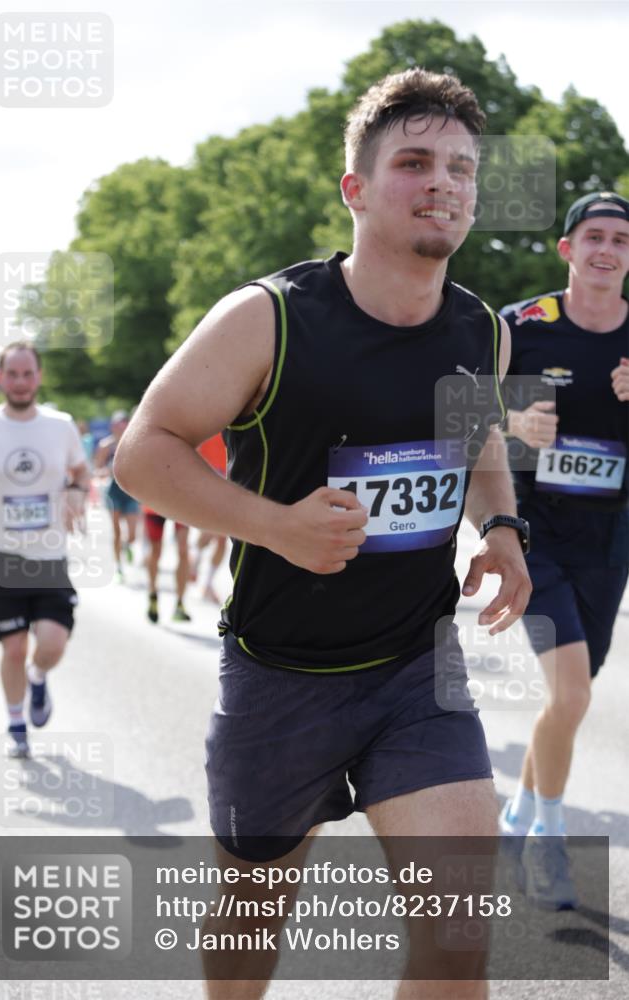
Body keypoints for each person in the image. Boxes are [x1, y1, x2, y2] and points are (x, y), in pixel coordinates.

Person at [115, 68, 532, 999]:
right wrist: (278, 527)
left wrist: (498, 524)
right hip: (280, 675)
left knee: (459, 933)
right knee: (253, 918)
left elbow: (479, 435)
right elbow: (143, 453)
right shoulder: (268, 318)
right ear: (354, 188)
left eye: (462, 169)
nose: (445, 185)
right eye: (415, 162)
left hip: (416, 674)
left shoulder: (479, 330)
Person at [499, 191, 629, 908]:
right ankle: (546, 841)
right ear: (568, 249)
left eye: (620, 240)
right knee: (571, 691)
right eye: (594, 237)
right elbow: (451, 409)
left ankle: (517, 811)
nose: (607, 250)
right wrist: (515, 423)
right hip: (532, 533)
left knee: (567, 702)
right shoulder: (521, 325)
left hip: (608, 540)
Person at [0, 341, 89, 757]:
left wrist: (74, 491)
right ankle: (16, 723)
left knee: (52, 644)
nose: (19, 382)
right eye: (11, 374)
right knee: (12, 646)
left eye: (27, 374)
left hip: (49, 553)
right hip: (2, 550)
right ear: (0, 377)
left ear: (38, 377)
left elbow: (80, 471)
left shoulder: (60, 425)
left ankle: (38, 677)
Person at [95, 410, 140, 582]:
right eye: (117, 426)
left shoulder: (134, 443)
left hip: (130, 490)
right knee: (116, 531)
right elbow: (97, 468)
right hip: (113, 490)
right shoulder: (106, 445)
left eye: (124, 425)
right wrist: (106, 472)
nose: (120, 429)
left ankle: (126, 546)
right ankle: (118, 567)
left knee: (133, 534)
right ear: (112, 427)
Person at [192, 432, 228, 603]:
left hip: (231, 483)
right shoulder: (210, 422)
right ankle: (196, 559)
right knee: (211, 532)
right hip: (210, 482)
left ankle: (206, 583)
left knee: (221, 538)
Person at [143, 506, 191, 623]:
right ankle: (152, 594)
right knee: (156, 551)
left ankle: (180, 603)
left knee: (183, 550)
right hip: (156, 501)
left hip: (182, 502)